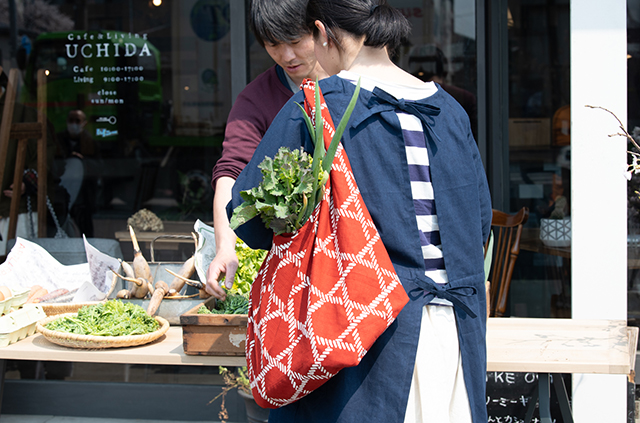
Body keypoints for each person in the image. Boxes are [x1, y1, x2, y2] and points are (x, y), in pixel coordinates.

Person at [227, 1, 492, 422]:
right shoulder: (450, 110)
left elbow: (247, 217)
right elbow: (479, 226)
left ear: (322, 33)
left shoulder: (319, 104)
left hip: (367, 344)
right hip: (457, 337)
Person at [205, 0, 327, 299]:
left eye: (296, 42)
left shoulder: (355, 85)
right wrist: (225, 246)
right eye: (273, 45)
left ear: (321, 30)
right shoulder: (254, 100)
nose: (287, 55)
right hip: (289, 253)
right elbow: (231, 172)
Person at [55, 109, 100, 237]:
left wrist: (82, 160)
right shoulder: (58, 140)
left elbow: (100, 166)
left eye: (77, 121)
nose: (74, 124)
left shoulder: (90, 141)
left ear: (84, 123)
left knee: (86, 232)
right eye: (71, 120)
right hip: (62, 194)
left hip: (83, 195)